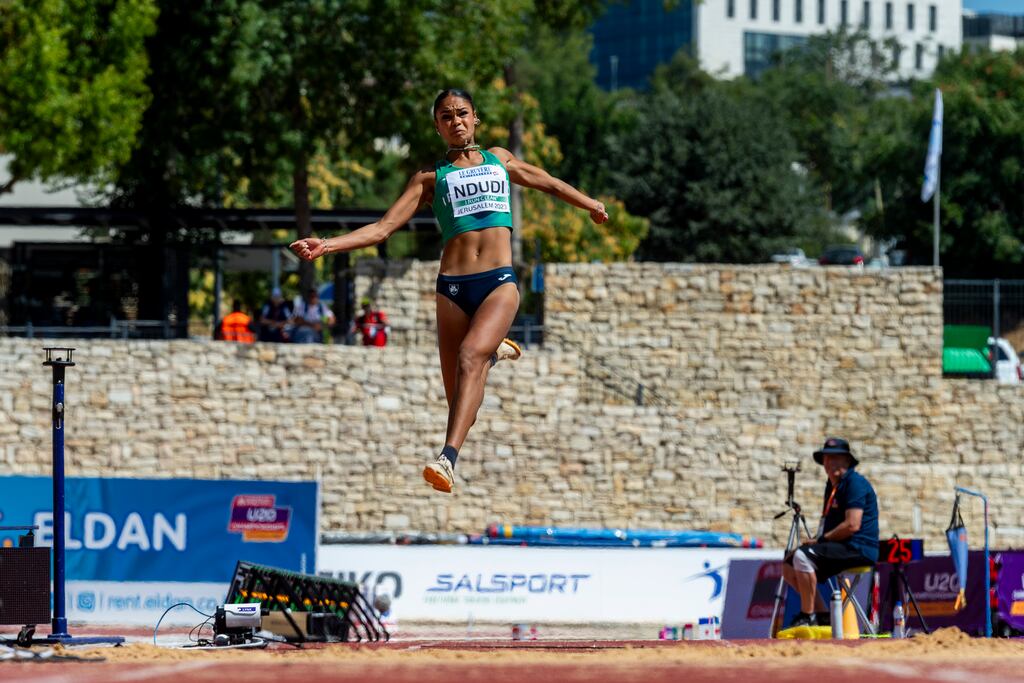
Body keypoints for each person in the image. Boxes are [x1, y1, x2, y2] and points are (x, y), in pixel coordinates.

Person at [290, 87, 608, 494]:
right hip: (452, 289)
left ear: (475, 118)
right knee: (461, 399)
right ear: (437, 126)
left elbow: (547, 182)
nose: (455, 121)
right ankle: (493, 354)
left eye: (461, 113)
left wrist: (591, 204)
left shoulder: (499, 159)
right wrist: (328, 244)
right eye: (446, 116)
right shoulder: (429, 177)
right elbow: (383, 228)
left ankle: (447, 459)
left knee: (468, 356)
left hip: (498, 282)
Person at [782, 437, 879, 628]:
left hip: (858, 548)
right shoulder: (833, 486)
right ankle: (823, 614)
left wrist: (821, 539)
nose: (830, 463)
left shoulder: (854, 483)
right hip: (840, 545)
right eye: (827, 459)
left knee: (802, 556)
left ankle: (807, 616)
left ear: (847, 461)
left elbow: (852, 525)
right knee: (789, 563)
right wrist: (817, 540)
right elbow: (827, 522)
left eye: (836, 458)